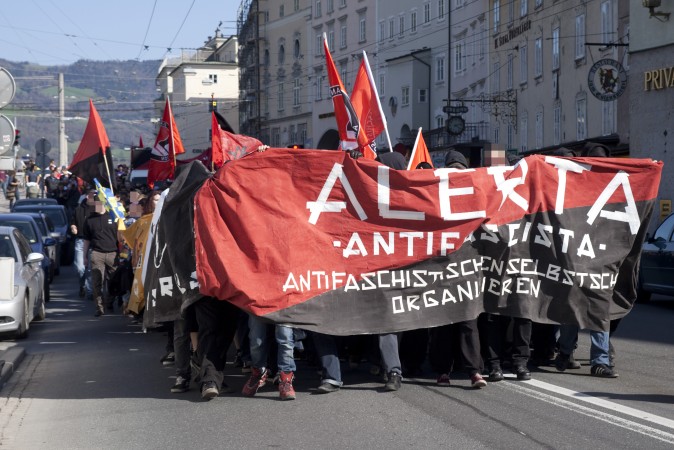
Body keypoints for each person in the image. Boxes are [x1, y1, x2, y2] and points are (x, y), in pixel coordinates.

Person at [428, 150, 487, 389]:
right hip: (442, 266)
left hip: (466, 266)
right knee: (446, 322)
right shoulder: (434, 197)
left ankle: (473, 371)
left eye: (459, 171)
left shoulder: (476, 196)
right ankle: (445, 370)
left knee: (467, 320)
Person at [242, 316, 298, 400]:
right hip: (258, 304)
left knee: (285, 339)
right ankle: (258, 372)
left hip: (284, 304)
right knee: (256, 341)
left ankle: (286, 379)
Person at [83, 193, 120, 317]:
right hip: (97, 253)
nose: (97, 206)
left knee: (113, 281)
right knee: (97, 281)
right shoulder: (89, 220)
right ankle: (99, 307)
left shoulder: (113, 216)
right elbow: (86, 240)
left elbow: (120, 237)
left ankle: (110, 301)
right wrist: (84, 256)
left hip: (113, 253)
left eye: (99, 203)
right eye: (95, 204)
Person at [71, 188, 96, 298]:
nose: (94, 197)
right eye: (92, 195)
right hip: (81, 241)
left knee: (90, 269)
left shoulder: (97, 209)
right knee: (80, 268)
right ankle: (82, 286)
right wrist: (73, 227)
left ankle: (90, 291)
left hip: (93, 242)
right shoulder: (79, 209)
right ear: (87, 196)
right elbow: (73, 222)